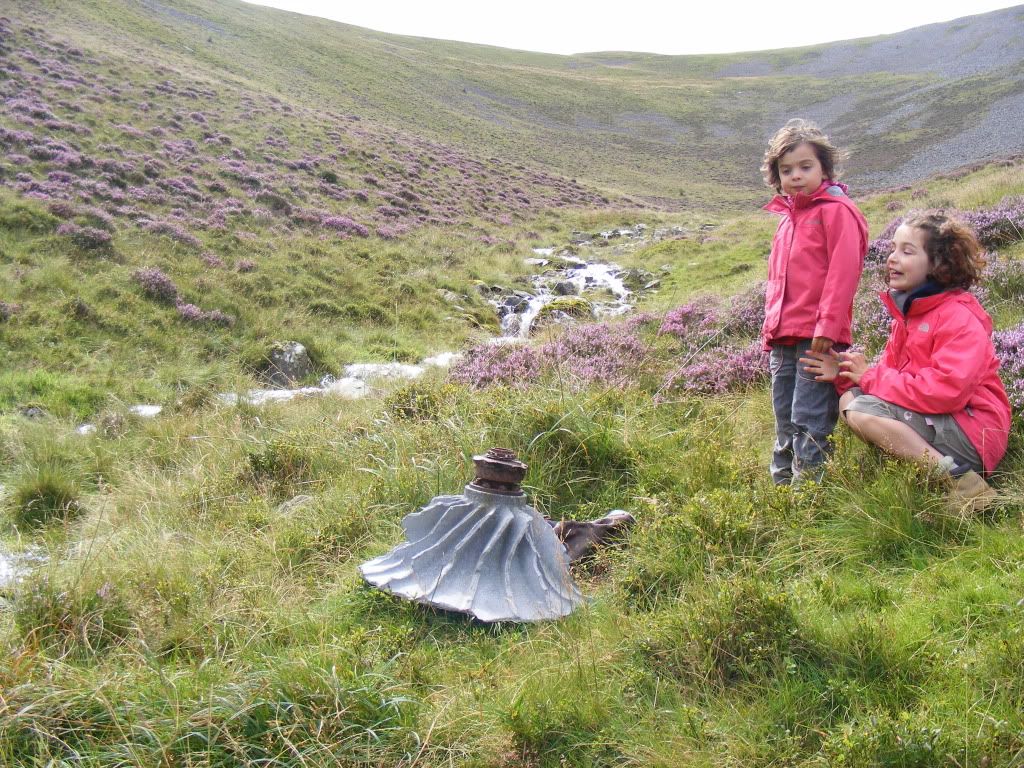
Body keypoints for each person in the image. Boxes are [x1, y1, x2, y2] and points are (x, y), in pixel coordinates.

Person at [800, 211, 1011, 513]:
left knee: (862, 410)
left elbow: (945, 392)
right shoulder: (910, 316)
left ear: (938, 264)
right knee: (850, 398)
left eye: (907, 251)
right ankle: (942, 474)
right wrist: (845, 374)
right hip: (941, 424)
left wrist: (868, 377)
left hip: (973, 433)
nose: (892, 258)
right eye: (892, 249)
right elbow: (888, 381)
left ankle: (963, 482)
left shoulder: (958, 317)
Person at [760, 119, 868, 484]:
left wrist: (827, 328)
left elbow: (843, 273)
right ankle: (782, 500)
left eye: (805, 167)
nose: (796, 176)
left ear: (824, 167)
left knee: (810, 420)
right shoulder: (786, 219)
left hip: (817, 339)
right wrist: (770, 330)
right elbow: (778, 283)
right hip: (784, 338)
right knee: (784, 420)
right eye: (786, 169)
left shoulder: (837, 211)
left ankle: (809, 503)